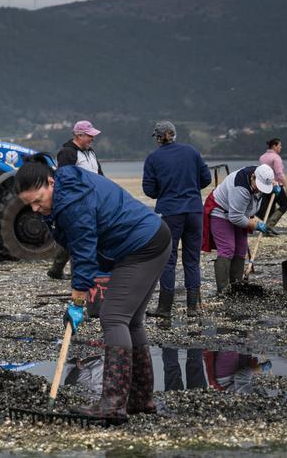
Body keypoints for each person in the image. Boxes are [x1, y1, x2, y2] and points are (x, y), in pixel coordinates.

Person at [16, 157, 171, 423]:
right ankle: (140, 399)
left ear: (51, 182)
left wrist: (77, 300)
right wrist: (85, 286)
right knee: (131, 321)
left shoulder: (72, 203)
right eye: (29, 204)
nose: (35, 208)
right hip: (147, 240)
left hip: (142, 246)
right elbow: (80, 246)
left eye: (38, 200)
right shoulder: (63, 195)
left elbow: (84, 249)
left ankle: (112, 404)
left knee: (113, 317)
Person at [142, 121, 212, 317]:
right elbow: (206, 178)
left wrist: (163, 192)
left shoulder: (153, 158)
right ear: (174, 134)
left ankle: (164, 308)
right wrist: (190, 186)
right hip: (194, 210)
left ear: (157, 137)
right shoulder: (192, 151)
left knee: (168, 260)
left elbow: (149, 189)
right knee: (192, 259)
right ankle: (193, 307)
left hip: (170, 212)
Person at [204, 164, 276, 295]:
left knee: (241, 249)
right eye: (258, 186)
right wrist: (256, 225)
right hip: (221, 212)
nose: (259, 190)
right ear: (253, 177)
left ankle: (236, 285)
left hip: (241, 213)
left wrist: (275, 187)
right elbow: (235, 217)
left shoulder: (261, 172)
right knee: (227, 248)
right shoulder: (240, 188)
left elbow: (271, 181)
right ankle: (223, 290)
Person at [48, 121, 105, 279]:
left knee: (74, 236)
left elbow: (100, 175)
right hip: (77, 202)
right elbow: (64, 179)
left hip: (93, 200)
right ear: (79, 135)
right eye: (90, 136)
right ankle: (77, 275)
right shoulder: (67, 153)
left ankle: (57, 269)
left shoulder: (90, 152)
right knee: (78, 237)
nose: (92, 139)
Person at [258, 138, 287, 236]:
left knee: (270, 207)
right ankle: (269, 226)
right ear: (274, 146)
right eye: (279, 145)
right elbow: (279, 174)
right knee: (285, 204)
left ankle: (267, 230)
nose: (281, 147)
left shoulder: (262, 157)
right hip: (276, 186)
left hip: (265, 185)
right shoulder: (276, 158)